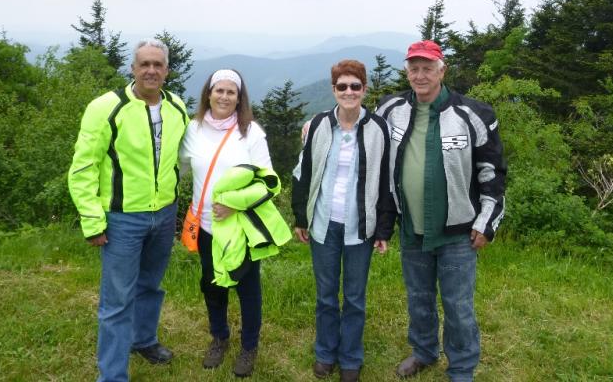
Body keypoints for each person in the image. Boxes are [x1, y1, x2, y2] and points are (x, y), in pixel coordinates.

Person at [376, 40, 506, 382]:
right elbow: (360, 128)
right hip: (412, 228)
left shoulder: (474, 114)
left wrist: (487, 222)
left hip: (458, 233)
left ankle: (461, 367)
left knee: (457, 305)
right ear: (407, 71)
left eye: (427, 69)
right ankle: (424, 351)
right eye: (414, 69)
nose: (420, 75)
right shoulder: (390, 109)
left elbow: (492, 173)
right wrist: (317, 123)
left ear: (442, 71)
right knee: (419, 297)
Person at [68, 39, 189, 382]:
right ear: (133, 69)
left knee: (150, 285)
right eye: (144, 64)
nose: (151, 70)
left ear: (167, 71)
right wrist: (93, 221)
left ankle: (143, 340)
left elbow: (189, 152)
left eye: (157, 65)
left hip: (164, 213)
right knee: (117, 302)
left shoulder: (176, 106)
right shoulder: (106, 107)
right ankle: (112, 375)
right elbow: (83, 168)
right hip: (122, 219)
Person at [292, 60, 397, 382]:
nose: (349, 92)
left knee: (354, 298)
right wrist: (301, 217)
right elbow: (302, 173)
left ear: (364, 89)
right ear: (333, 90)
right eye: (342, 86)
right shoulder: (318, 125)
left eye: (355, 86)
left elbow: (386, 181)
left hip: (360, 227)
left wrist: (384, 228)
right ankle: (325, 353)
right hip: (324, 224)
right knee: (326, 296)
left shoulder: (379, 129)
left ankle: (350, 357)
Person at [179, 68, 285, 378]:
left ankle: (249, 347)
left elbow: (268, 183)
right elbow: (179, 168)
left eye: (231, 92)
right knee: (212, 285)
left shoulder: (251, 133)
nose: (224, 97)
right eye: (219, 90)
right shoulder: (193, 130)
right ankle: (219, 338)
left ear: (239, 98)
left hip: (241, 229)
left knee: (247, 289)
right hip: (206, 226)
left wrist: (233, 203)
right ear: (208, 94)